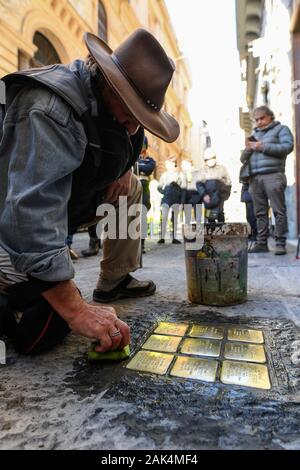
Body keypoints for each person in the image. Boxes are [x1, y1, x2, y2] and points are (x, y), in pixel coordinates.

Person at [0, 29, 179, 354]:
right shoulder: (50, 109)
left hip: (51, 208)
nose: (135, 126)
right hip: (9, 218)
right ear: (110, 83)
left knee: (133, 189)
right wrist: (75, 308)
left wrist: (124, 169)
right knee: (44, 323)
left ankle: (115, 279)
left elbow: (133, 135)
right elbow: (28, 214)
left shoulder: (113, 110)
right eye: (132, 111)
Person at [241, 106, 294, 255]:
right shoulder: (254, 134)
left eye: (262, 118)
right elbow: (242, 159)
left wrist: (261, 146)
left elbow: (287, 147)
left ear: (270, 116)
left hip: (273, 175)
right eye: (256, 119)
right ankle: (261, 243)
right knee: (259, 213)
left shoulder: (281, 129)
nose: (259, 121)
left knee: (278, 211)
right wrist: (248, 149)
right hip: (255, 178)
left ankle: (280, 243)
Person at [196, 148, 232, 223]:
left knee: (220, 213)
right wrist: (204, 195)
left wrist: (224, 193)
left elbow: (228, 182)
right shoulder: (202, 171)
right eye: (208, 159)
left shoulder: (221, 169)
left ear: (215, 158)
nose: (210, 161)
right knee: (211, 217)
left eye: (212, 158)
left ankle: (221, 232)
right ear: (205, 161)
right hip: (208, 197)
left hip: (220, 196)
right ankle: (212, 232)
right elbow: (199, 184)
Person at [157, 158, 186, 244]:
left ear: (173, 164)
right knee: (164, 218)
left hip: (176, 200)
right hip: (166, 199)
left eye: (168, 164)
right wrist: (165, 192)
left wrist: (182, 202)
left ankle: (174, 238)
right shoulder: (164, 175)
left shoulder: (180, 175)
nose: (167, 166)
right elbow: (159, 187)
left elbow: (183, 189)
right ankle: (162, 237)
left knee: (175, 219)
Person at [135, 136, 156, 253]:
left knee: (142, 216)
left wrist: (138, 167)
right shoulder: (133, 157)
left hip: (144, 191)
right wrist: (139, 167)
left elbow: (149, 168)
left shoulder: (150, 160)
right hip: (132, 189)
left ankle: (141, 244)